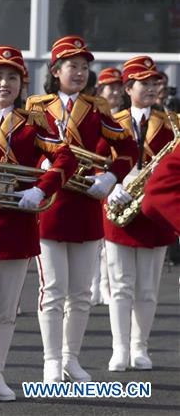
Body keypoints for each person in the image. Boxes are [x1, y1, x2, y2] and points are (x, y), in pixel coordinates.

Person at [0, 46, 78, 403]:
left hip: (20, 220)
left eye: (13, 77)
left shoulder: (35, 123)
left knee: (7, 308)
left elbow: (65, 157)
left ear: (22, 83)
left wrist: (42, 189)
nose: (5, 83)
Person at [25, 35, 138, 383]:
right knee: (53, 289)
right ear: (55, 70)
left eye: (84, 66)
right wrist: (41, 163)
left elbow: (128, 148)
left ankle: (71, 359)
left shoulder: (97, 108)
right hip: (51, 204)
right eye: (72, 65)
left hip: (86, 202)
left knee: (81, 293)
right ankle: (50, 361)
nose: (79, 72)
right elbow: (23, 148)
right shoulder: (37, 106)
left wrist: (111, 177)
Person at [101, 56, 177, 372]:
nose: (149, 88)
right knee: (120, 284)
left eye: (153, 83)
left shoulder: (172, 124)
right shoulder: (111, 122)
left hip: (155, 215)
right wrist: (112, 184)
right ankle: (119, 348)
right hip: (119, 207)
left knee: (147, 286)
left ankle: (139, 346)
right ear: (128, 87)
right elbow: (98, 161)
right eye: (143, 83)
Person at [91, 67, 124, 306]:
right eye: (110, 87)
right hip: (97, 179)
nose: (115, 91)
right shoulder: (95, 117)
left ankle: (106, 284)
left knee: (109, 242)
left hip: (118, 182)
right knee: (96, 241)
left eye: (118, 87)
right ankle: (95, 284)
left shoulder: (124, 118)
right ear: (100, 90)